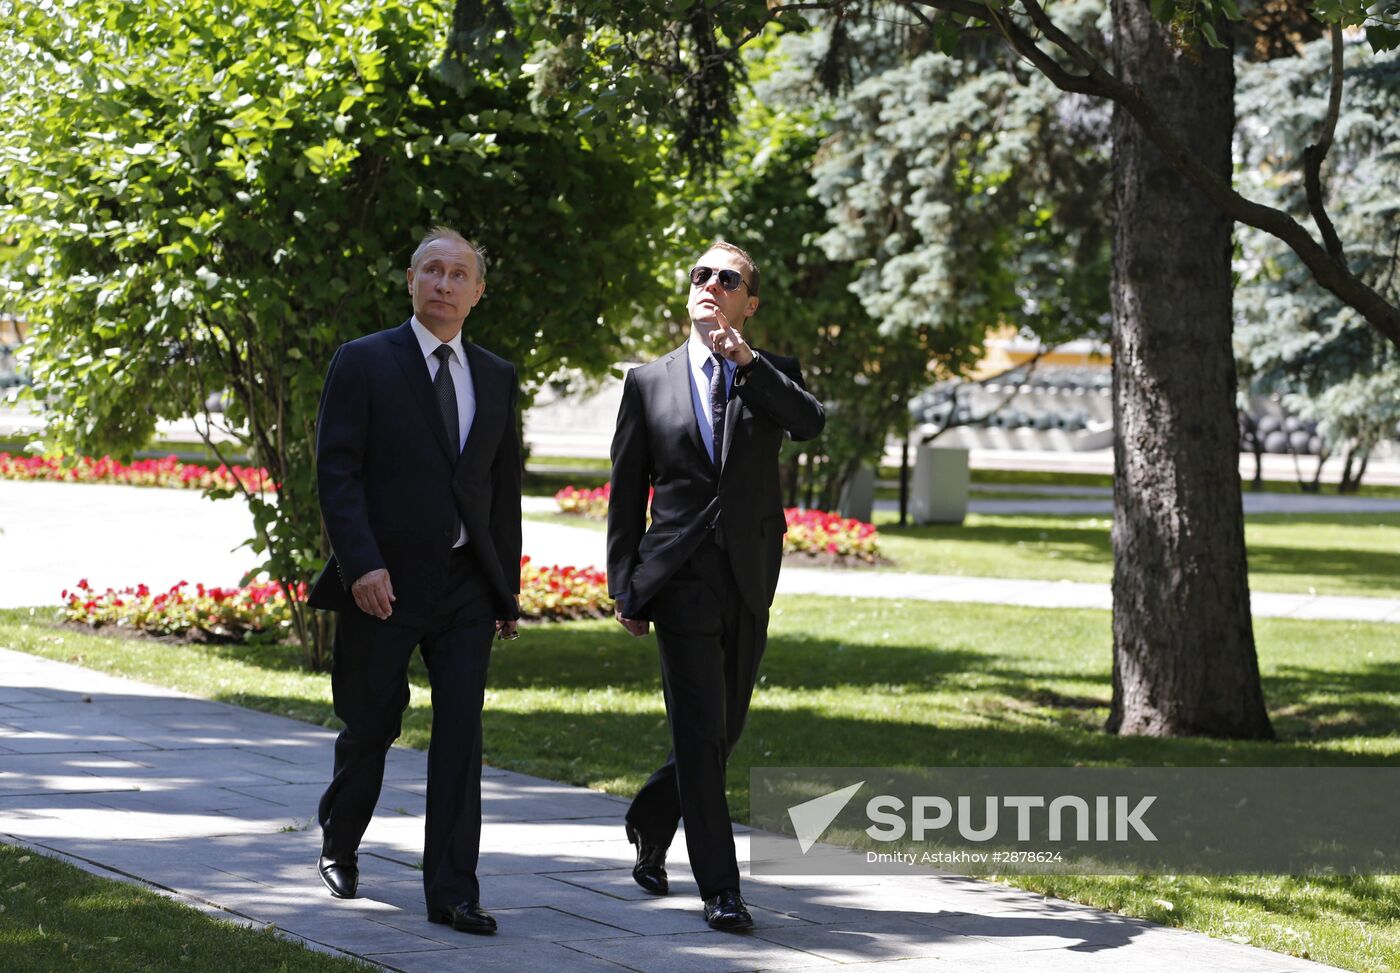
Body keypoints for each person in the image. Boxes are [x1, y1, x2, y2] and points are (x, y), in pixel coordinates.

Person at [306, 227, 522, 936]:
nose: (444, 283)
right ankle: (341, 838)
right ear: (410, 280)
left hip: (465, 587)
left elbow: (502, 491)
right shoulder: (364, 361)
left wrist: (504, 588)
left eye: (459, 274)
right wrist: (361, 563)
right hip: (384, 583)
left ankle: (454, 890)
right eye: (432, 270)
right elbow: (336, 473)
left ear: (478, 292)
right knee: (371, 721)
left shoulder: (495, 375)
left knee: (461, 733)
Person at [606, 241, 825, 930]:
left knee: (723, 728)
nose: (709, 284)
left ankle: (649, 814)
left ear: (747, 302)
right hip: (679, 581)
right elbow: (625, 492)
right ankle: (720, 888)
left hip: (750, 576)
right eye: (700, 274)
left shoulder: (769, 374)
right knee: (701, 733)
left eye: (726, 278)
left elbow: (809, 422)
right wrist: (627, 586)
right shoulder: (648, 381)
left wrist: (747, 364)